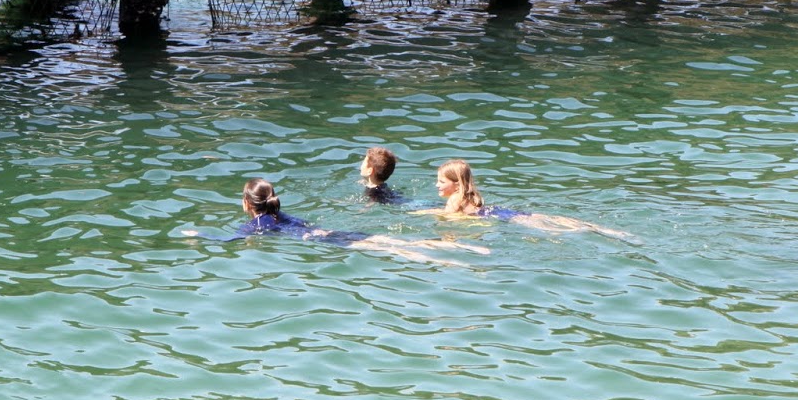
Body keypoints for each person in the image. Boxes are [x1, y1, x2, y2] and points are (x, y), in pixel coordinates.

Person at [181, 178, 489, 265]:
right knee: (387, 242)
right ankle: (464, 249)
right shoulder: (279, 214)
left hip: (319, 240)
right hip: (327, 232)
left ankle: (456, 260)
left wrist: (199, 234)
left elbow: (228, 240)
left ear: (247, 203)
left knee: (391, 249)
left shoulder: (258, 224)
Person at [421, 159, 636, 242]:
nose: (437, 185)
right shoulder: (464, 195)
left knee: (556, 230)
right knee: (557, 220)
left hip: (503, 218)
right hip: (503, 212)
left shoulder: (454, 199)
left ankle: (595, 232)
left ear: (456, 183)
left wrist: (425, 215)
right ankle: (606, 230)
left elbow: (451, 221)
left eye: (441, 181)